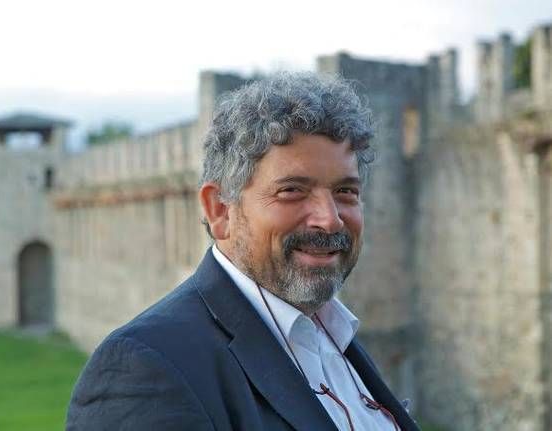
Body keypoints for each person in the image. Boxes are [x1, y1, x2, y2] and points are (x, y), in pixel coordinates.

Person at [66, 72, 420, 431]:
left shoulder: (333, 335)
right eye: (292, 191)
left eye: (346, 192)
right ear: (220, 210)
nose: (329, 220)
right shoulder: (146, 371)